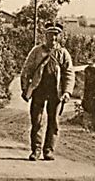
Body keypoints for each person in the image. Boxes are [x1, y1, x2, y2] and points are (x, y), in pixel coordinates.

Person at [20, 22, 74, 161]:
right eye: (50, 35)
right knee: (36, 121)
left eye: (56, 36)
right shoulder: (37, 51)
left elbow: (69, 73)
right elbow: (27, 70)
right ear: (45, 36)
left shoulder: (63, 53)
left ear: (59, 37)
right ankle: (36, 151)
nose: (53, 39)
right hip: (39, 90)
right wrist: (25, 88)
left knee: (53, 121)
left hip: (56, 92)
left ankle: (48, 150)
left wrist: (67, 92)